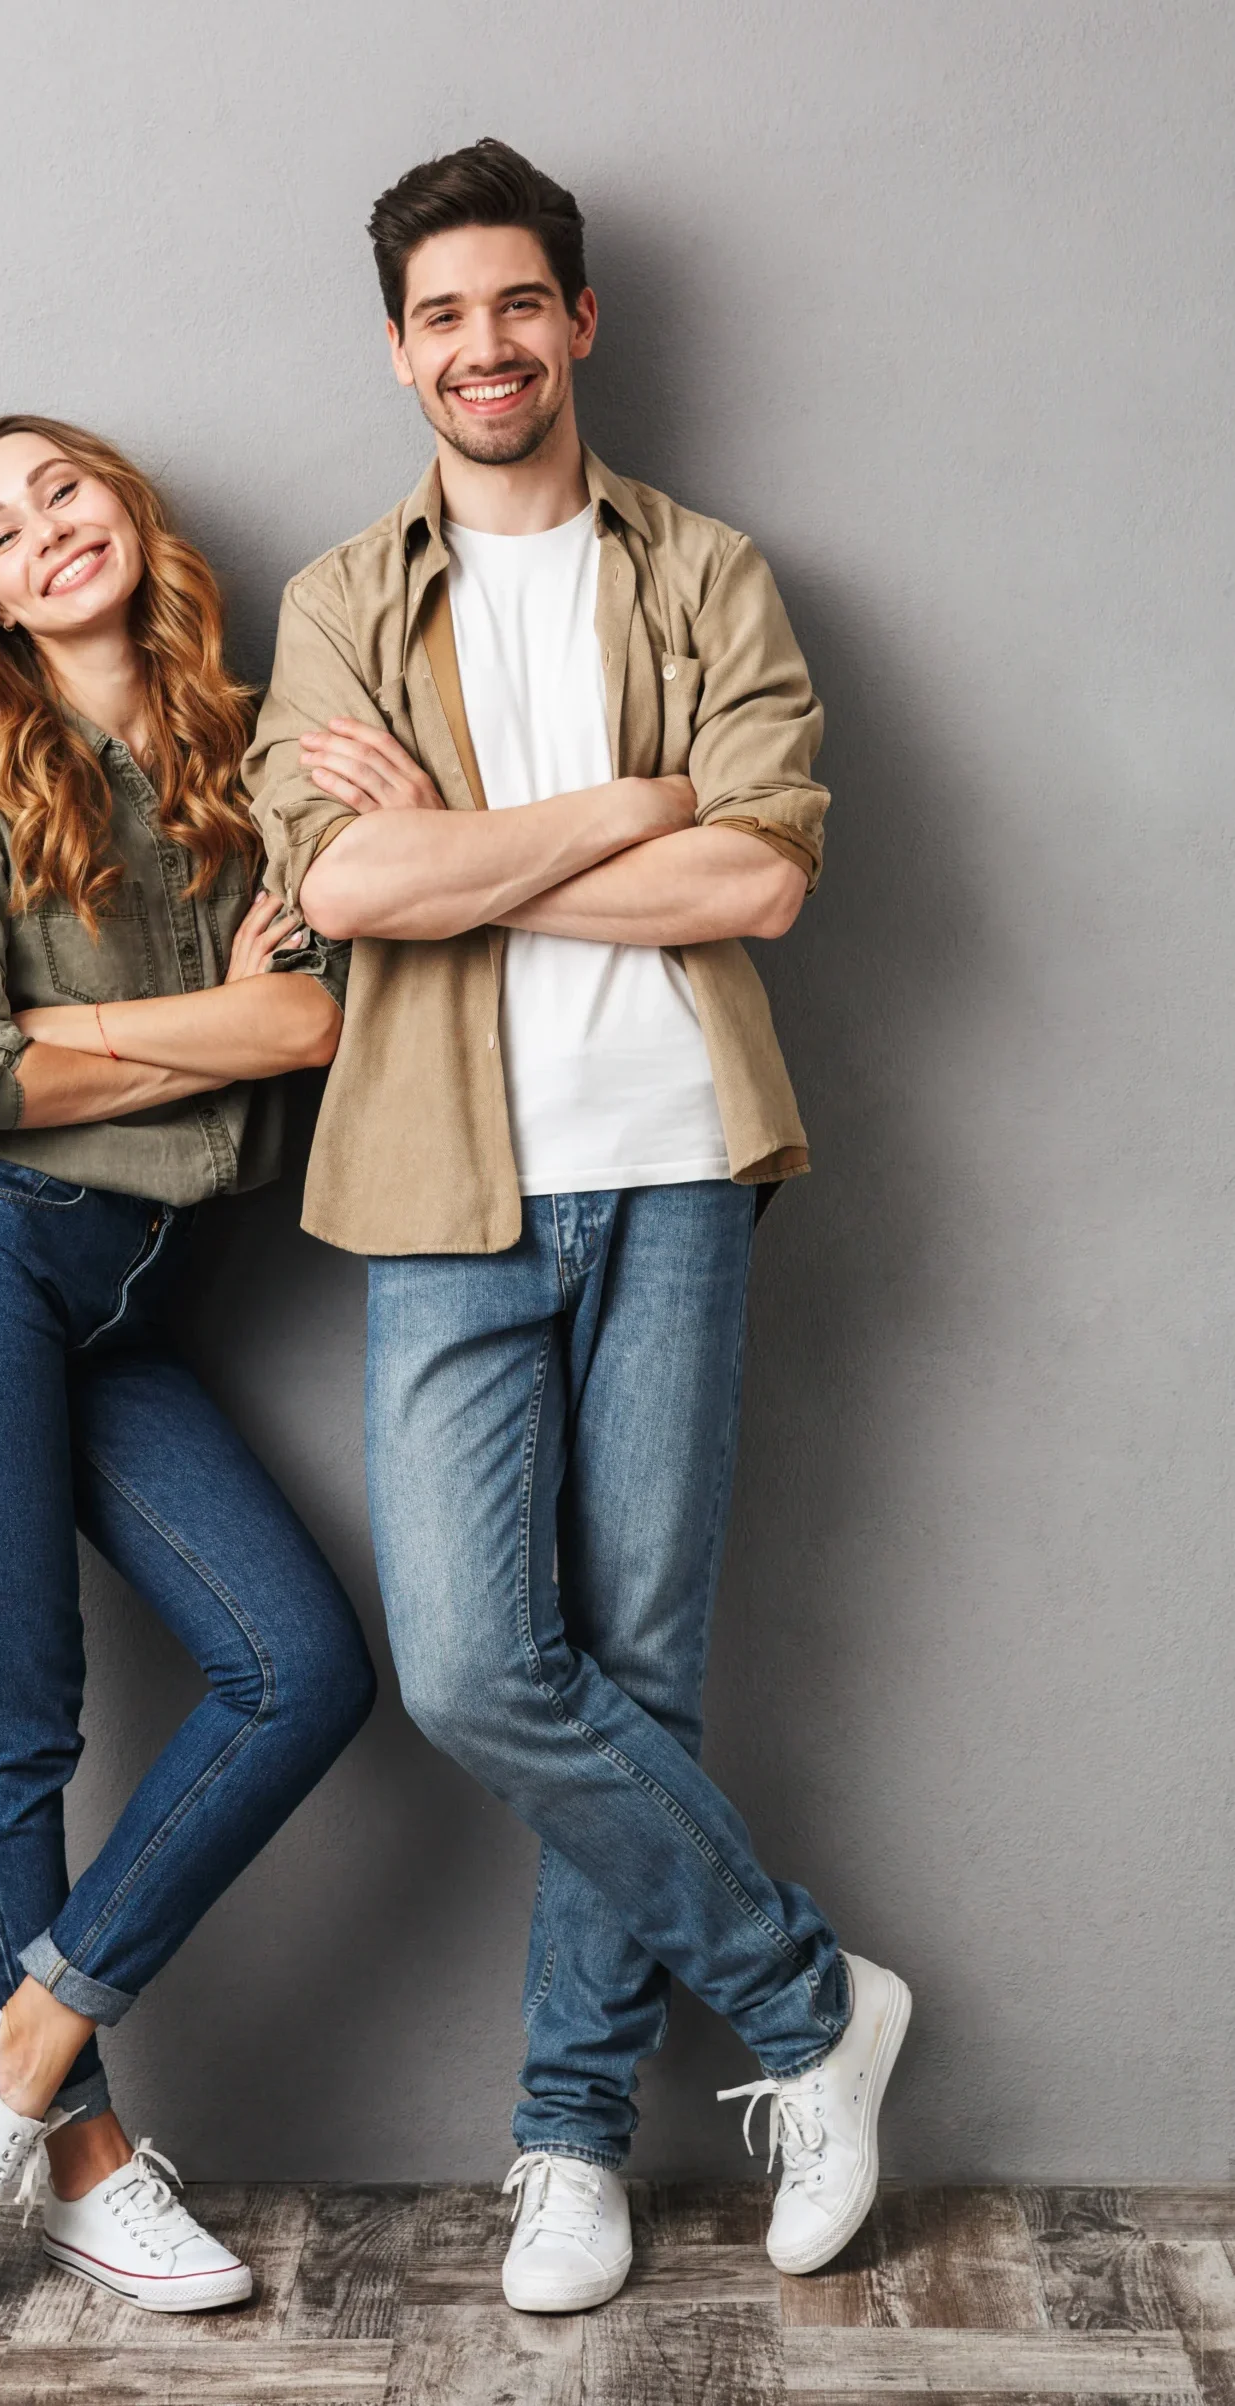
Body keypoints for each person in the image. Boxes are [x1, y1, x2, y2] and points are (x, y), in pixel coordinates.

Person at [245, 141, 910, 2310]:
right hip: (444, 1178)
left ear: (578, 321)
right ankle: (819, 2012)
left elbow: (760, 882)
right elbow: (340, 894)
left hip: (676, 1159)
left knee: (635, 1661)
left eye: (515, 303)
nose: (483, 344)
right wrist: (625, 807)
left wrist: (481, 849)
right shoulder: (346, 599)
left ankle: (566, 2141)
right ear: (399, 348)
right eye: (441, 314)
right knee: (471, 1663)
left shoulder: (710, 574)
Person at [0, 414, 375, 2315]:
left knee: (300, 1669)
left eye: (62, 490)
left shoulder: (261, 744)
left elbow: (331, 1022)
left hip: (125, 1307)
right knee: (18, 1720)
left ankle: (4, 2059)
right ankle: (81, 2158)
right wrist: (230, 1014)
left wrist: (164, 1028)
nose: (44, 533)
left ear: (128, 510)